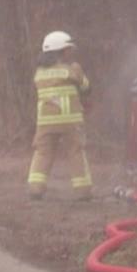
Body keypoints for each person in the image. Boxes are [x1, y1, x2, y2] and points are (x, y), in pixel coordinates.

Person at [28, 30, 93, 200]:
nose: (70, 53)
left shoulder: (39, 73)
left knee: (42, 153)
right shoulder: (71, 70)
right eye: (68, 50)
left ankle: (35, 188)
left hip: (45, 123)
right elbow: (86, 88)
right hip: (70, 121)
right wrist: (78, 71)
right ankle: (83, 192)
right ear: (62, 51)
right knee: (75, 152)